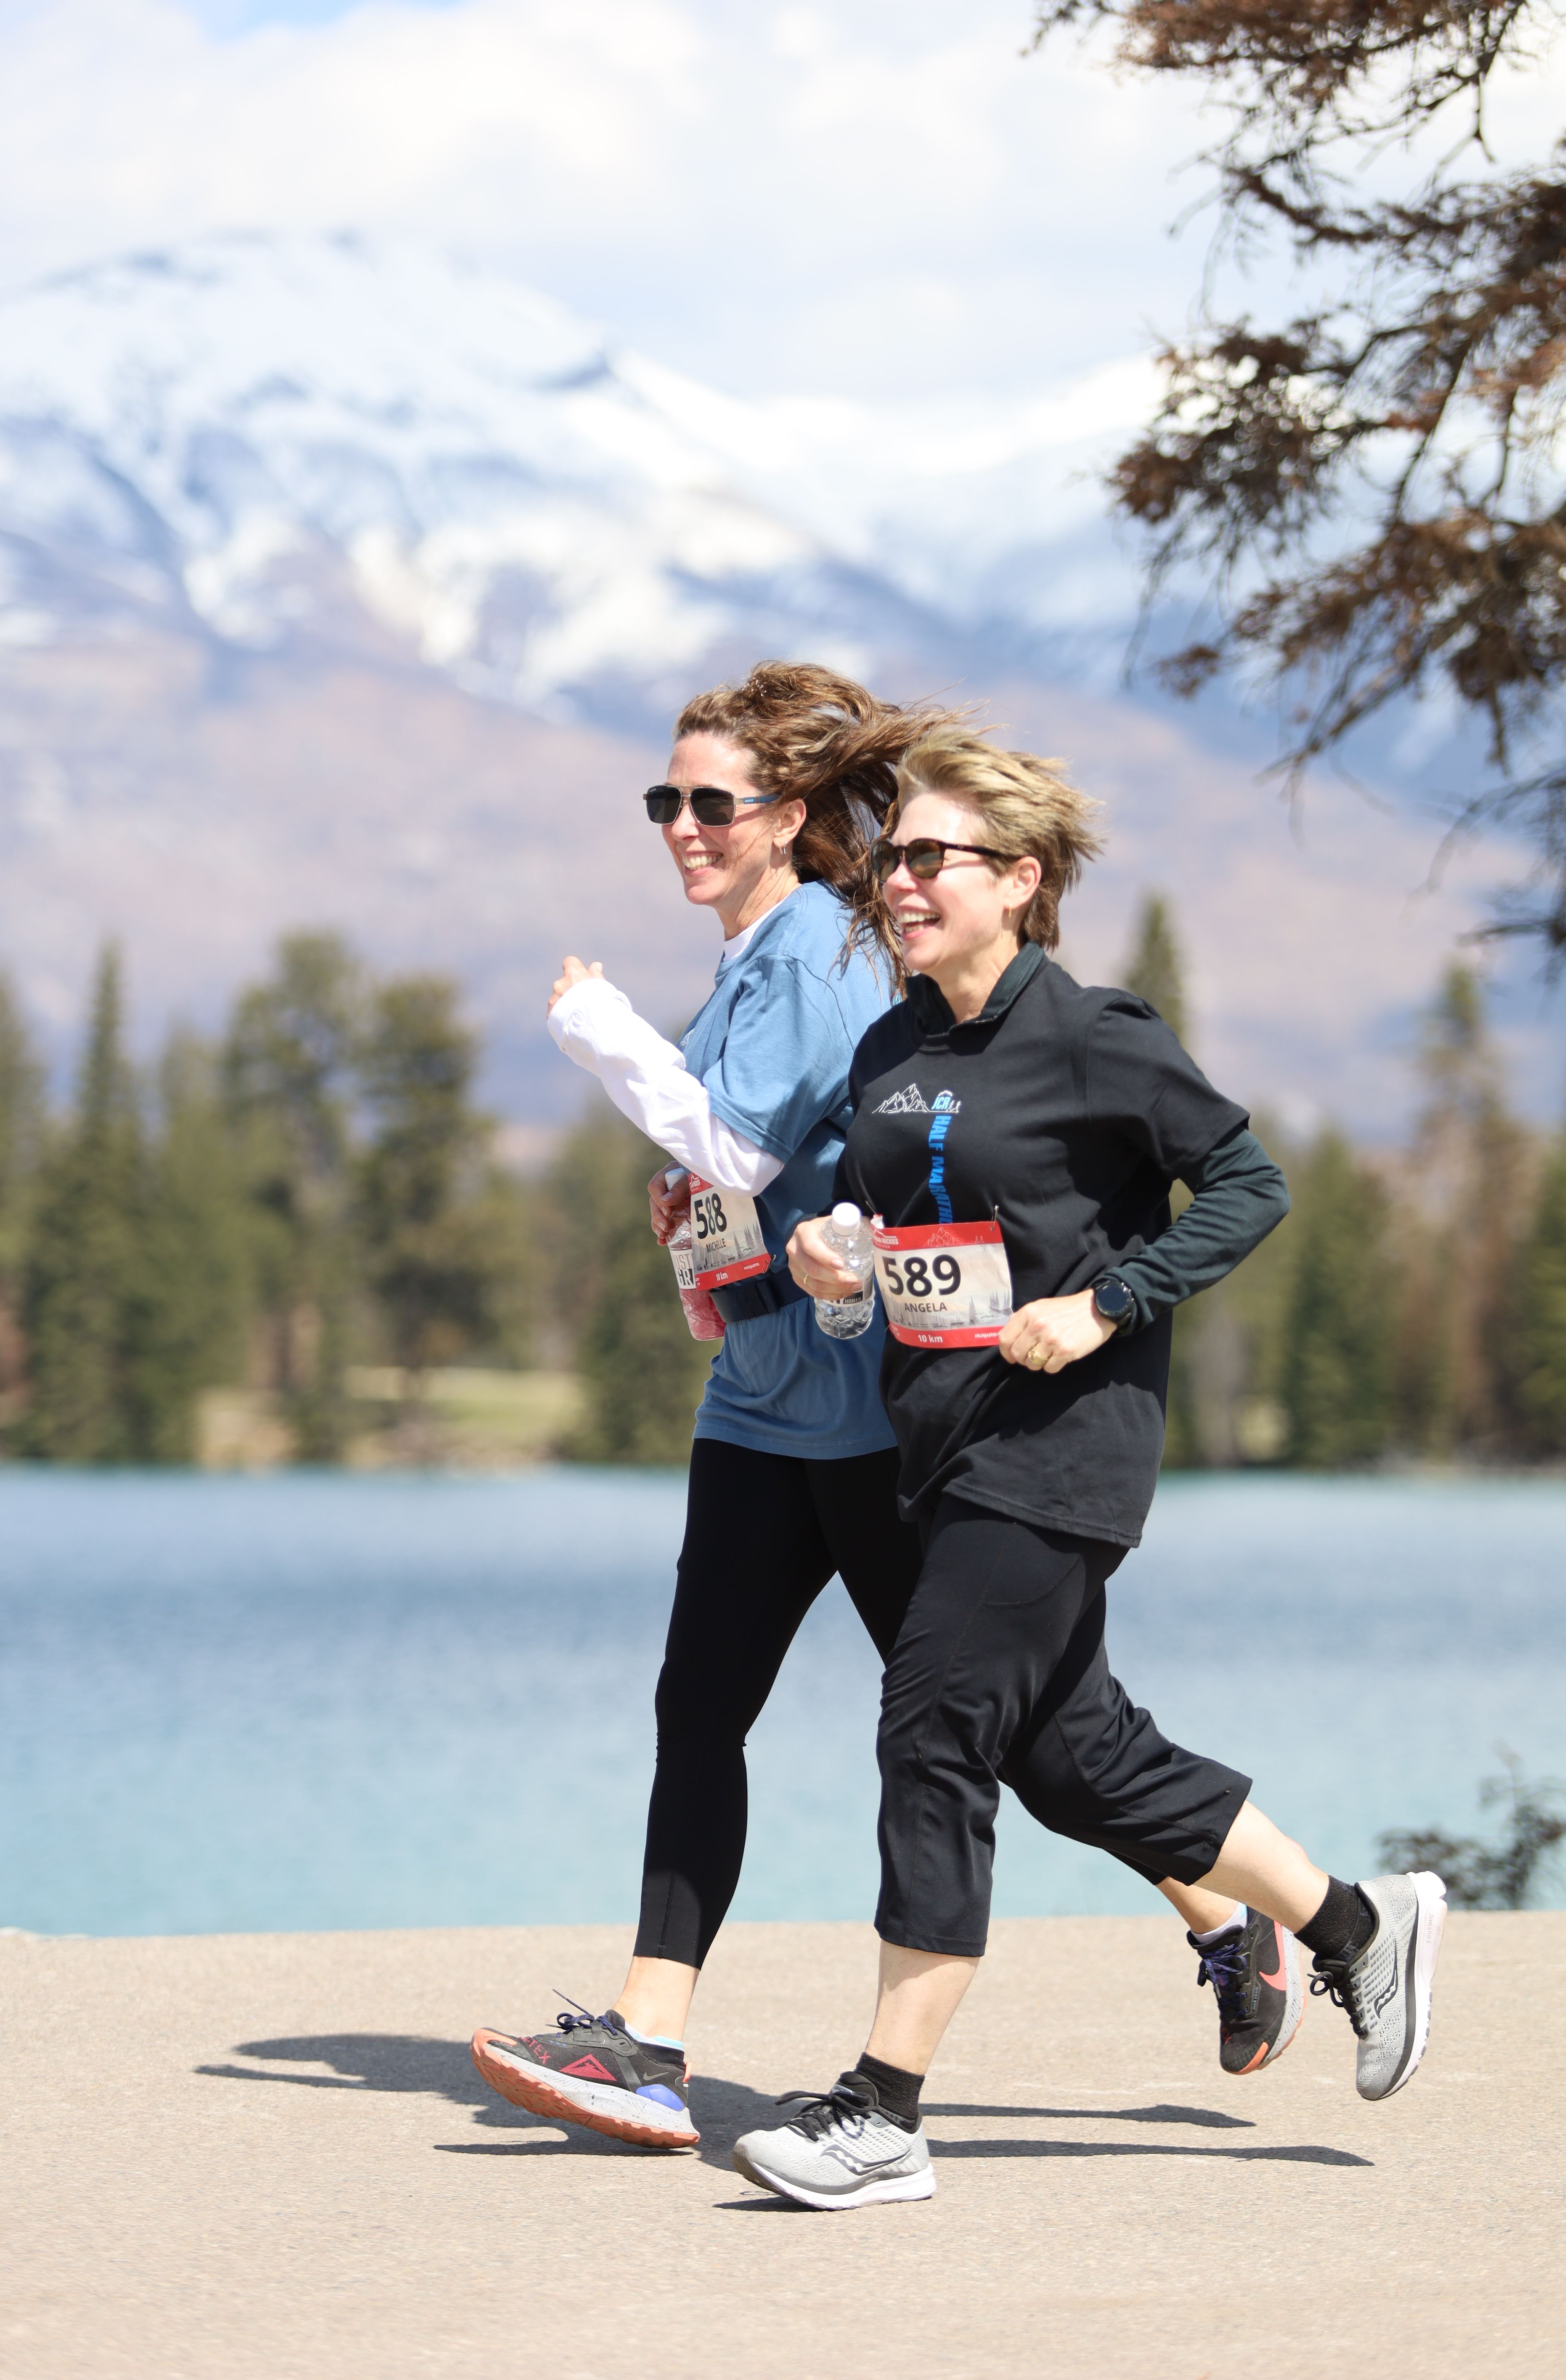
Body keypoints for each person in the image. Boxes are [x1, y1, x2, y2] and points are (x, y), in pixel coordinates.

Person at [468, 673, 1310, 2156]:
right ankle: (650, 2043)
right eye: (661, 801)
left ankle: (1225, 1924)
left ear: (786, 819)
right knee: (699, 1709)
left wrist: (594, 1029)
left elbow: (722, 1140)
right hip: (758, 1398)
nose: (678, 826)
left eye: (708, 803)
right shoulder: (751, 954)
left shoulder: (809, 947)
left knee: (1026, 1734)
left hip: (867, 1417)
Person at [733, 727, 1447, 2210]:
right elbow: (884, 1247)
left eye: (932, 859)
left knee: (928, 1729)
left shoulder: (1091, 1036)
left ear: (1020, 879)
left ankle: (883, 2112)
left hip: (1060, 1454)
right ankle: (1354, 1927)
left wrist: (1107, 1300)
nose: (900, 883)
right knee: (1074, 1762)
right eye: (889, 862)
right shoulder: (888, 1052)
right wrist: (826, 1263)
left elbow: (1247, 1184)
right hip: (941, 1450)